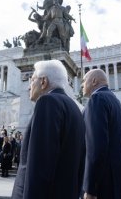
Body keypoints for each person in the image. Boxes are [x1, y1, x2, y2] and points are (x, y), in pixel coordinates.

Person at [12, 60, 85, 199]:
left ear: (43, 81)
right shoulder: (75, 109)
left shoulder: (47, 103)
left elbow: (39, 167)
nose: (29, 87)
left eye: (32, 80)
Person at [82, 69, 121, 199]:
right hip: (117, 179)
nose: (82, 85)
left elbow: (96, 148)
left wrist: (90, 187)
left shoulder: (96, 99)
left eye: (84, 80)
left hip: (103, 183)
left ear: (94, 81)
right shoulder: (114, 100)